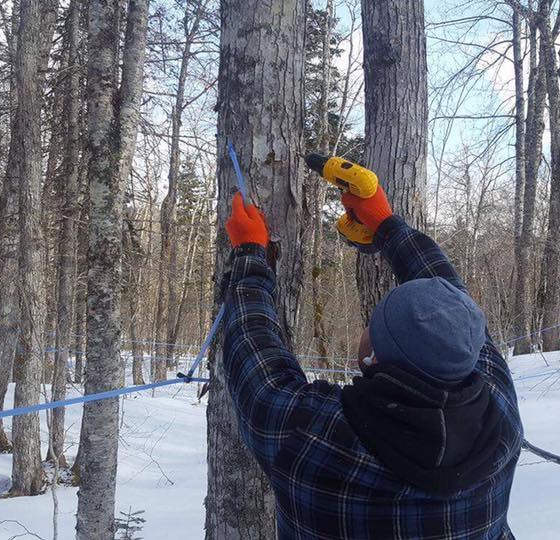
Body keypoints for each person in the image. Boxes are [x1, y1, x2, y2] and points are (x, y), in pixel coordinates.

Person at [220, 183, 522, 539]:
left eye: (374, 326)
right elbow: (450, 301)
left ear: (373, 359)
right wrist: (386, 225)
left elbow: (252, 350)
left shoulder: (314, 435)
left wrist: (250, 255)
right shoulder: (499, 412)